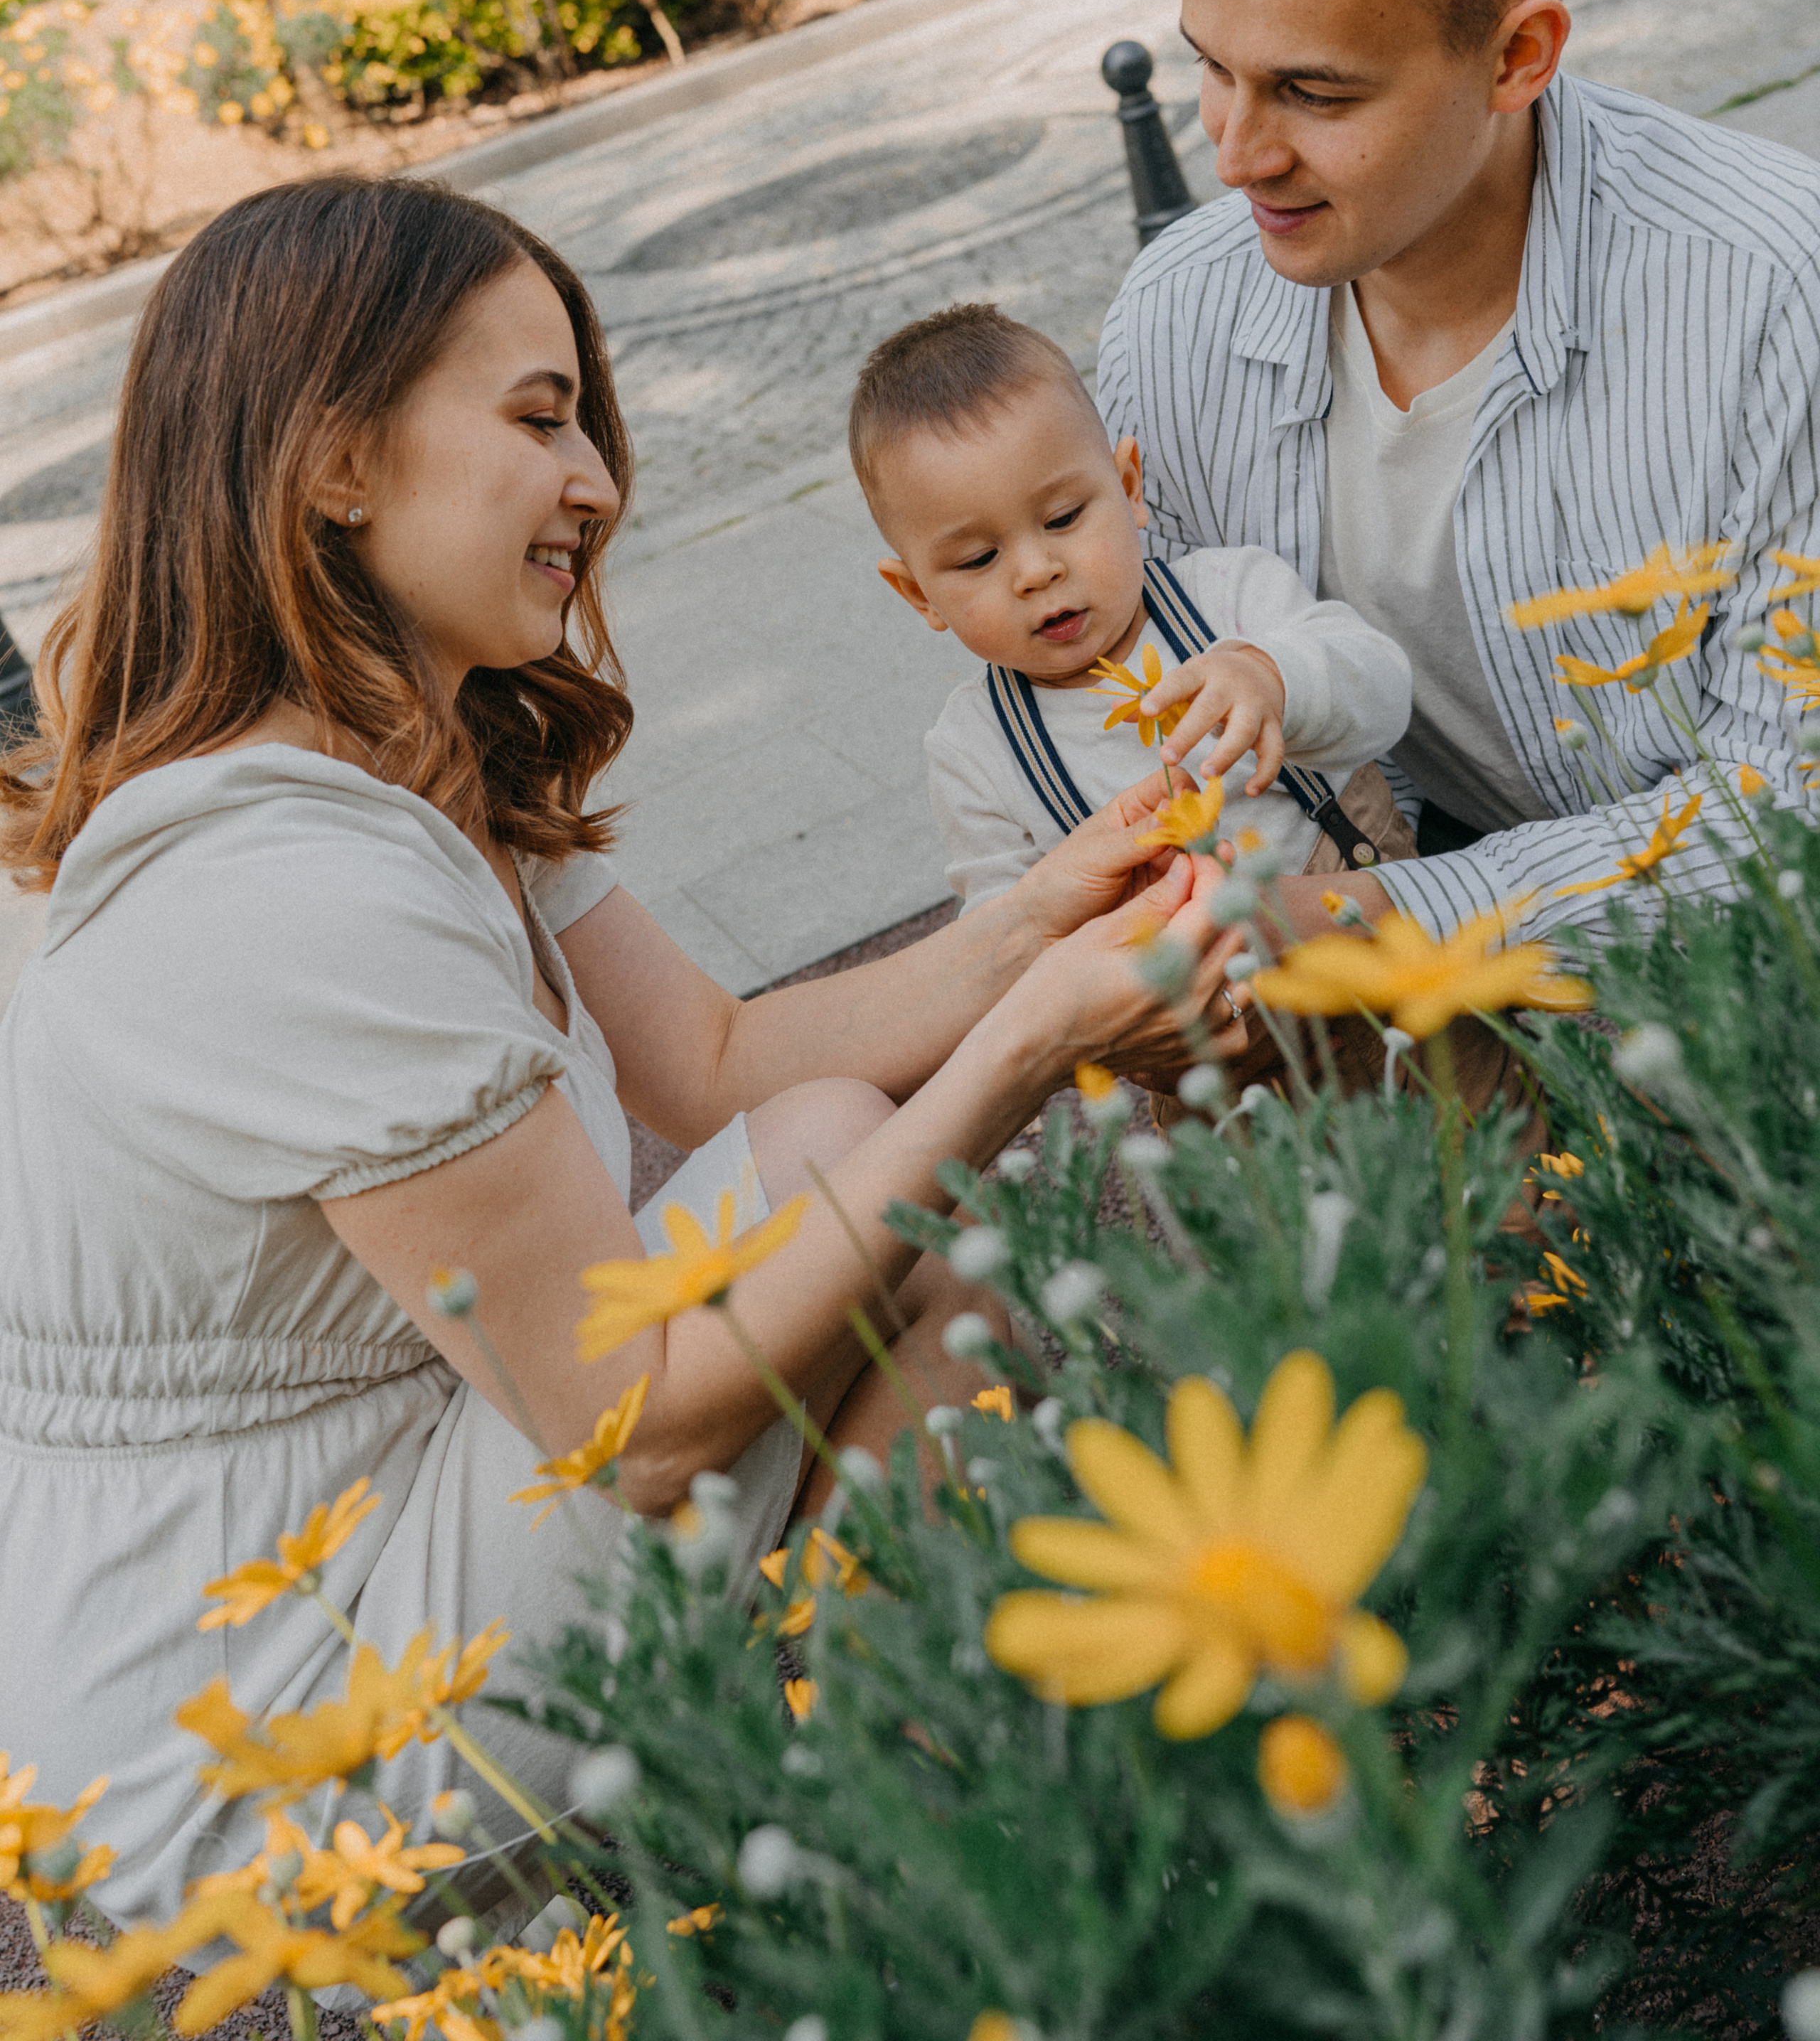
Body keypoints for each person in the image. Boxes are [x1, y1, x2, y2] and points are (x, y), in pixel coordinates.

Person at [0, 178, 1238, 1927]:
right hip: (244, 1701)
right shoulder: (276, 886)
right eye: (535, 417)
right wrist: (1031, 1043)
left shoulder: (419, 752)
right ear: (336, 459)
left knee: (858, 1211)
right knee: (838, 1174)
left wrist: (1037, 915)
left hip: (402, 1517)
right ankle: (980, 1879)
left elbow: (711, 1056)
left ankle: (958, 1886)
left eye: (583, 418)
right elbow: (629, 1421)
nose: (596, 480)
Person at [1098, 0, 1820, 950]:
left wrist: (1375, 924)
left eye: (1313, 92)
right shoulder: (1173, 326)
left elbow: (1790, 813)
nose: (1233, 154)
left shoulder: (1773, 295)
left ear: (1518, 57)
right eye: (1211, 68)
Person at [849, 301, 1413, 909]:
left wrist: (1274, 678)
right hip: (1198, 993)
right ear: (918, 594)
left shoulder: (1231, 593)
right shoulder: (975, 752)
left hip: (1376, 927)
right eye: (978, 559)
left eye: (1063, 518)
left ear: (1128, 489)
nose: (1038, 573)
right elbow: (1002, 935)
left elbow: (1384, 691)